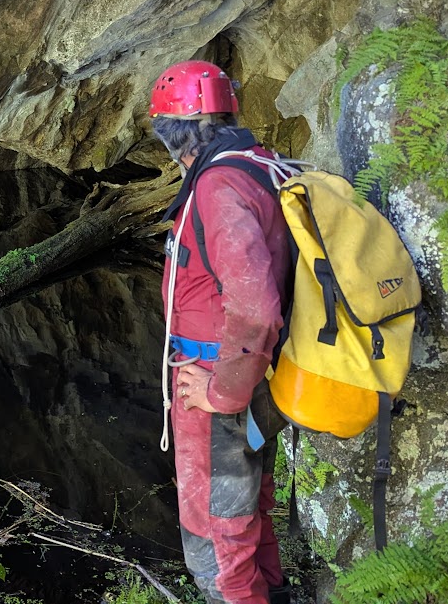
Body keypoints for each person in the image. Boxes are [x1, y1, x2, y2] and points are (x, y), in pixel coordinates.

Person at [150, 59, 293, 604]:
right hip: (254, 372)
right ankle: (273, 593)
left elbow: (255, 307)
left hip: (219, 383)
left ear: (170, 132)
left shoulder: (217, 185)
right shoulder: (259, 165)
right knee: (252, 507)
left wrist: (219, 392)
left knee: (217, 525)